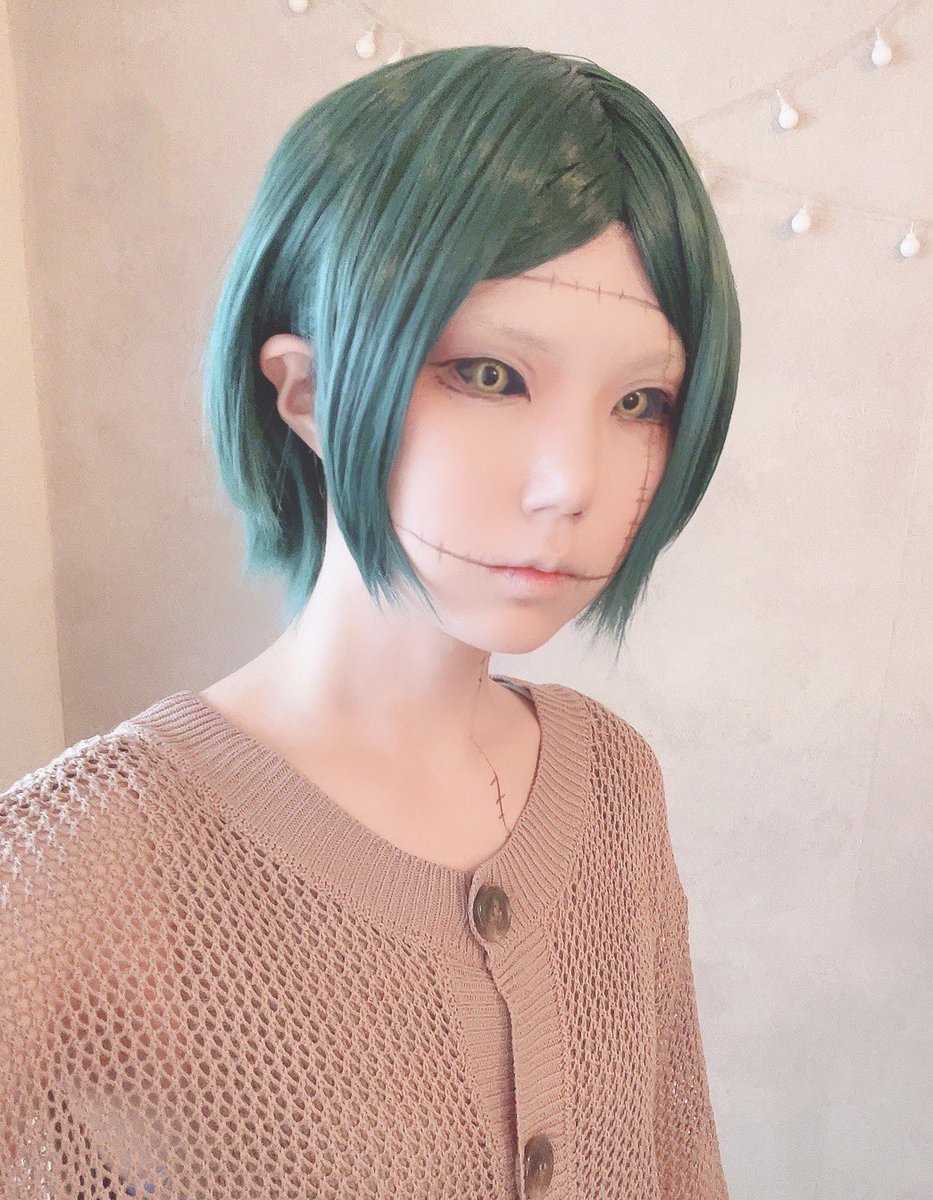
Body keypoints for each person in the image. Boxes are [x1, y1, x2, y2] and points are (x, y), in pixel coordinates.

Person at [1, 44, 740, 1199]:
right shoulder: (89, 860)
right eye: (490, 376)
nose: (574, 483)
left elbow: (678, 1159)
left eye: (640, 401)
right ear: (303, 391)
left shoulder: (610, 783)